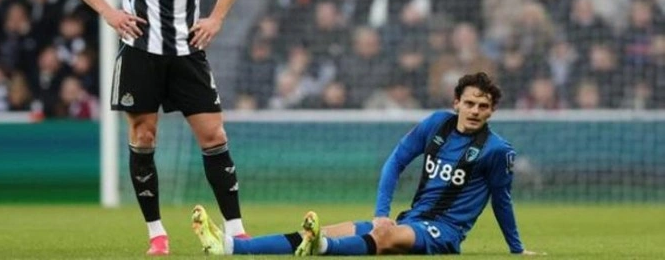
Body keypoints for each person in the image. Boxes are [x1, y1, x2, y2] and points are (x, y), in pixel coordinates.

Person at [65, 0, 247, 256]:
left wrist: (216, 18)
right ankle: (157, 234)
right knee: (143, 137)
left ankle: (237, 230)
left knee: (214, 135)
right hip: (140, 53)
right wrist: (110, 13)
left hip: (187, 51)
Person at [192, 72, 541, 256]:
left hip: (443, 233)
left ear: (492, 110)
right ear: (457, 103)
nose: (475, 111)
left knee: (381, 237)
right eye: (470, 103)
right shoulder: (437, 124)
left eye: (483, 106)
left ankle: (321, 249)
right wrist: (380, 212)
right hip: (412, 219)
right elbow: (395, 162)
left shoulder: (497, 150)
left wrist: (516, 249)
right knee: (334, 229)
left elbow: (502, 200)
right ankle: (232, 247)